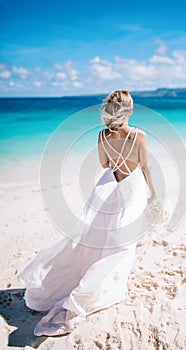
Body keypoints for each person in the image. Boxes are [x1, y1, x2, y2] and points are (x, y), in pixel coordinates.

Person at [18, 89, 157, 337]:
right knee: (122, 240)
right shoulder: (139, 135)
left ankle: (101, 282)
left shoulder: (103, 135)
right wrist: (154, 194)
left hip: (109, 185)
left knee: (102, 236)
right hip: (132, 187)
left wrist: (115, 154)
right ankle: (104, 288)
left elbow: (104, 164)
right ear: (130, 110)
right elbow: (145, 167)